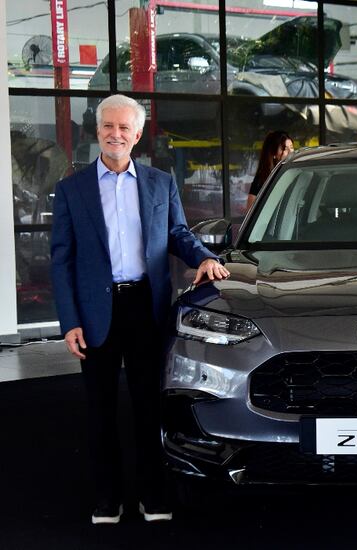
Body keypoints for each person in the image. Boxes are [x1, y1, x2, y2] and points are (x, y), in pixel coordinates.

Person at [50, 94, 230, 525]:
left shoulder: (159, 182)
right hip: (96, 312)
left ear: (137, 134)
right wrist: (70, 321)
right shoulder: (72, 189)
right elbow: (62, 259)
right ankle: (107, 499)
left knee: (150, 408)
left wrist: (203, 257)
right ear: (97, 132)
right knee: (101, 410)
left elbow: (178, 234)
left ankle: (153, 495)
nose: (115, 134)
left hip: (146, 309)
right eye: (108, 127)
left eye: (124, 128)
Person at [246, 130, 294, 209]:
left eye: (291, 147)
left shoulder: (297, 173)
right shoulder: (262, 180)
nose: (290, 152)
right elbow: (250, 210)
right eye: (284, 149)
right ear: (274, 153)